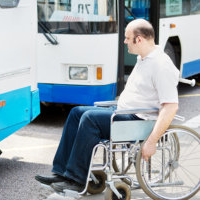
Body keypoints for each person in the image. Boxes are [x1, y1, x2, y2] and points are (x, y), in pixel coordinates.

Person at [35, 19, 179, 193]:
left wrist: (151, 141)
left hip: (137, 120)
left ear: (139, 39)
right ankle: (62, 173)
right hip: (123, 113)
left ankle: (76, 180)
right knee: (76, 113)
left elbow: (170, 107)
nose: (125, 42)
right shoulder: (144, 59)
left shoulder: (160, 65)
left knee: (90, 119)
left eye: (127, 38)